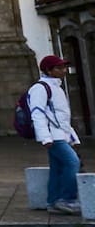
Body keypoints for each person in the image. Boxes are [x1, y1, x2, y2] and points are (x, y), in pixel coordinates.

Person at [30, 55, 82, 215]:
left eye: (64, 67)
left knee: (57, 168)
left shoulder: (56, 87)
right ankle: (66, 199)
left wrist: (72, 137)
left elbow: (61, 116)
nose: (64, 70)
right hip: (53, 136)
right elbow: (37, 113)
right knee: (73, 162)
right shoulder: (40, 88)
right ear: (48, 70)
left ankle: (53, 202)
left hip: (60, 134)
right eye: (59, 68)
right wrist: (45, 137)